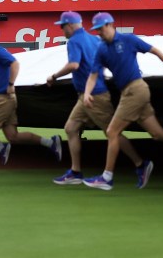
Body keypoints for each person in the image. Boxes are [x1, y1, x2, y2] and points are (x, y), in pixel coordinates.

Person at [82, 12, 163, 191]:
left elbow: (155, 50)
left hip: (137, 90)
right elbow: (93, 75)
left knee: (112, 132)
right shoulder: (101, 49)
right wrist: (87, 93)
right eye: (97, 30)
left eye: (101, 29)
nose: (99, 33)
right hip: (128, 93)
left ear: (110, 25)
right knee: (158, 133)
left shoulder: (128, 40)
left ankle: (107, 177)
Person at [49, 12, 150, 188]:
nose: (61, 29)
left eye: (62, 26)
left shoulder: (74, 41)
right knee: (71, 128)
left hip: (95, 96)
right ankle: (75, 172)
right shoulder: (95, 40)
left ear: (70, 25)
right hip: (87, 95)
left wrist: (54, 76)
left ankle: (141, 164)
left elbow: (74, 64)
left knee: (113, 132)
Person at [0, 24, 61, 182]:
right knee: (13, 136)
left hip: (1, 99)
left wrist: (10, 84)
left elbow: (15, 64)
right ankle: (51, 142)